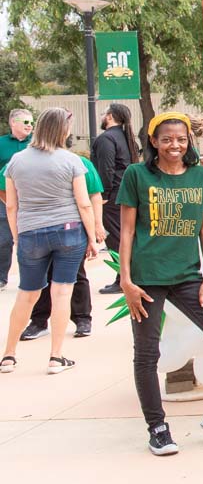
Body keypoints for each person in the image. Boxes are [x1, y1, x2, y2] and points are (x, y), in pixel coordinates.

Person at [118, 113, 203, 455]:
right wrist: (127, 281)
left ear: (188, 141)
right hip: (147, 279)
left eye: (180, 139)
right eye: (166, 139)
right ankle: (158, 427)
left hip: (188, 276)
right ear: (153, 142)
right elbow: (128, 231)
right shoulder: (137, 175)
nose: (174, 145)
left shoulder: (201, 176)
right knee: (147, 354)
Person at [1, 108, 98, 375]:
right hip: (68, 230)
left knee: (27, 294)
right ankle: (56, 357)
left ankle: (8, 355)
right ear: (63, 131)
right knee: (62, 292)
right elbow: (83, 203)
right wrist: (92, 237)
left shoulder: (16, 163)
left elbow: (11, 206)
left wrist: (18, 236)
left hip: (31, 232)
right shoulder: (71, 161)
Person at [20, 142, 105, 339]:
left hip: (71, 228)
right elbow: (5, 186)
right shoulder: (28, 163)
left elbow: (94, 196)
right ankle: (39, 321)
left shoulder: (79, 162)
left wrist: (97, 225)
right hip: (38, 228)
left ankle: (82, 318)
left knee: (76, 274)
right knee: (41, 276)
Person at [92, 103, 138, 294]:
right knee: (126, 234)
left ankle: (123, 277)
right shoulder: (128, 138)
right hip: (127, 191)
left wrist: (103, 195)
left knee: (116, 238)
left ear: (110, 116)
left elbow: (106, 168)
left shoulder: (106, 139)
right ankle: (129, 275)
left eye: (104, 114)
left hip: (112, 195)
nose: (102, 117)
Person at [0, 108, 34, 290]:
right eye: (25, 122)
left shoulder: (37, 143)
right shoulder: (1, 143)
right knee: (5, 238)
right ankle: (1, 277)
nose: (30, 126)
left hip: (32, 198)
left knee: (31, 238)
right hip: (4, 197)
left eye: (31, 122)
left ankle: (31, 277)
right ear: (13, 122)